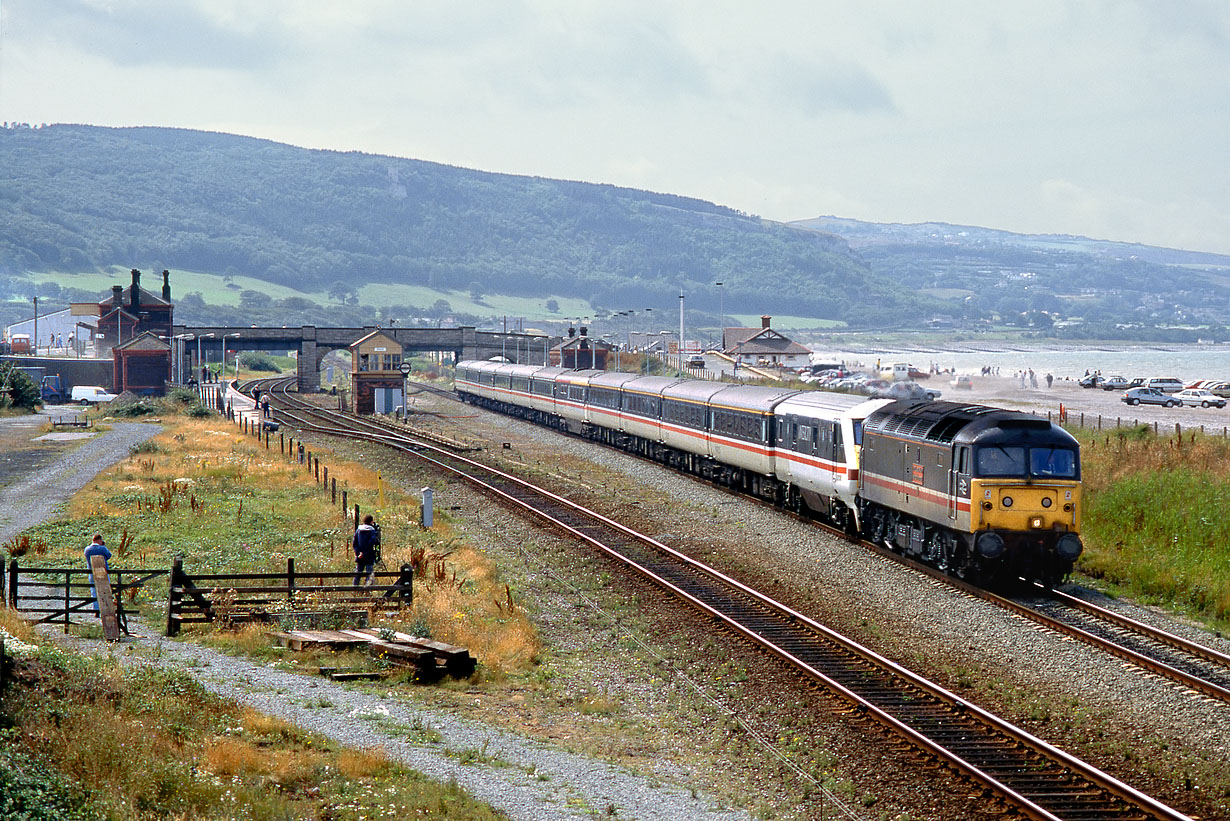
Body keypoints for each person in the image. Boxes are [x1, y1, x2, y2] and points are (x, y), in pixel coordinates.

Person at [84, 533, 111, 613]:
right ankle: (105, 608)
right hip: (103, 572)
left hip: (92, 572)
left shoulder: (87, 549)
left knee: (94, 591)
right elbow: (109, 555)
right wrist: (104, 546)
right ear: (99, 540)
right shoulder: (102, 549)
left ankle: (96, 609)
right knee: (105, 590)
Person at [353, 514, 379, 586]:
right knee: (369, 574)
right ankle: (368, 590)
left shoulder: (358, 530)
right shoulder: (372, 531)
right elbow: (371, 543)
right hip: (369, 555)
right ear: (371, 521)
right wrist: (364, 553)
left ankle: (354, 589)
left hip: (359, 556)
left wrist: (359, 553)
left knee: (358, 573)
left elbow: (354, 543)